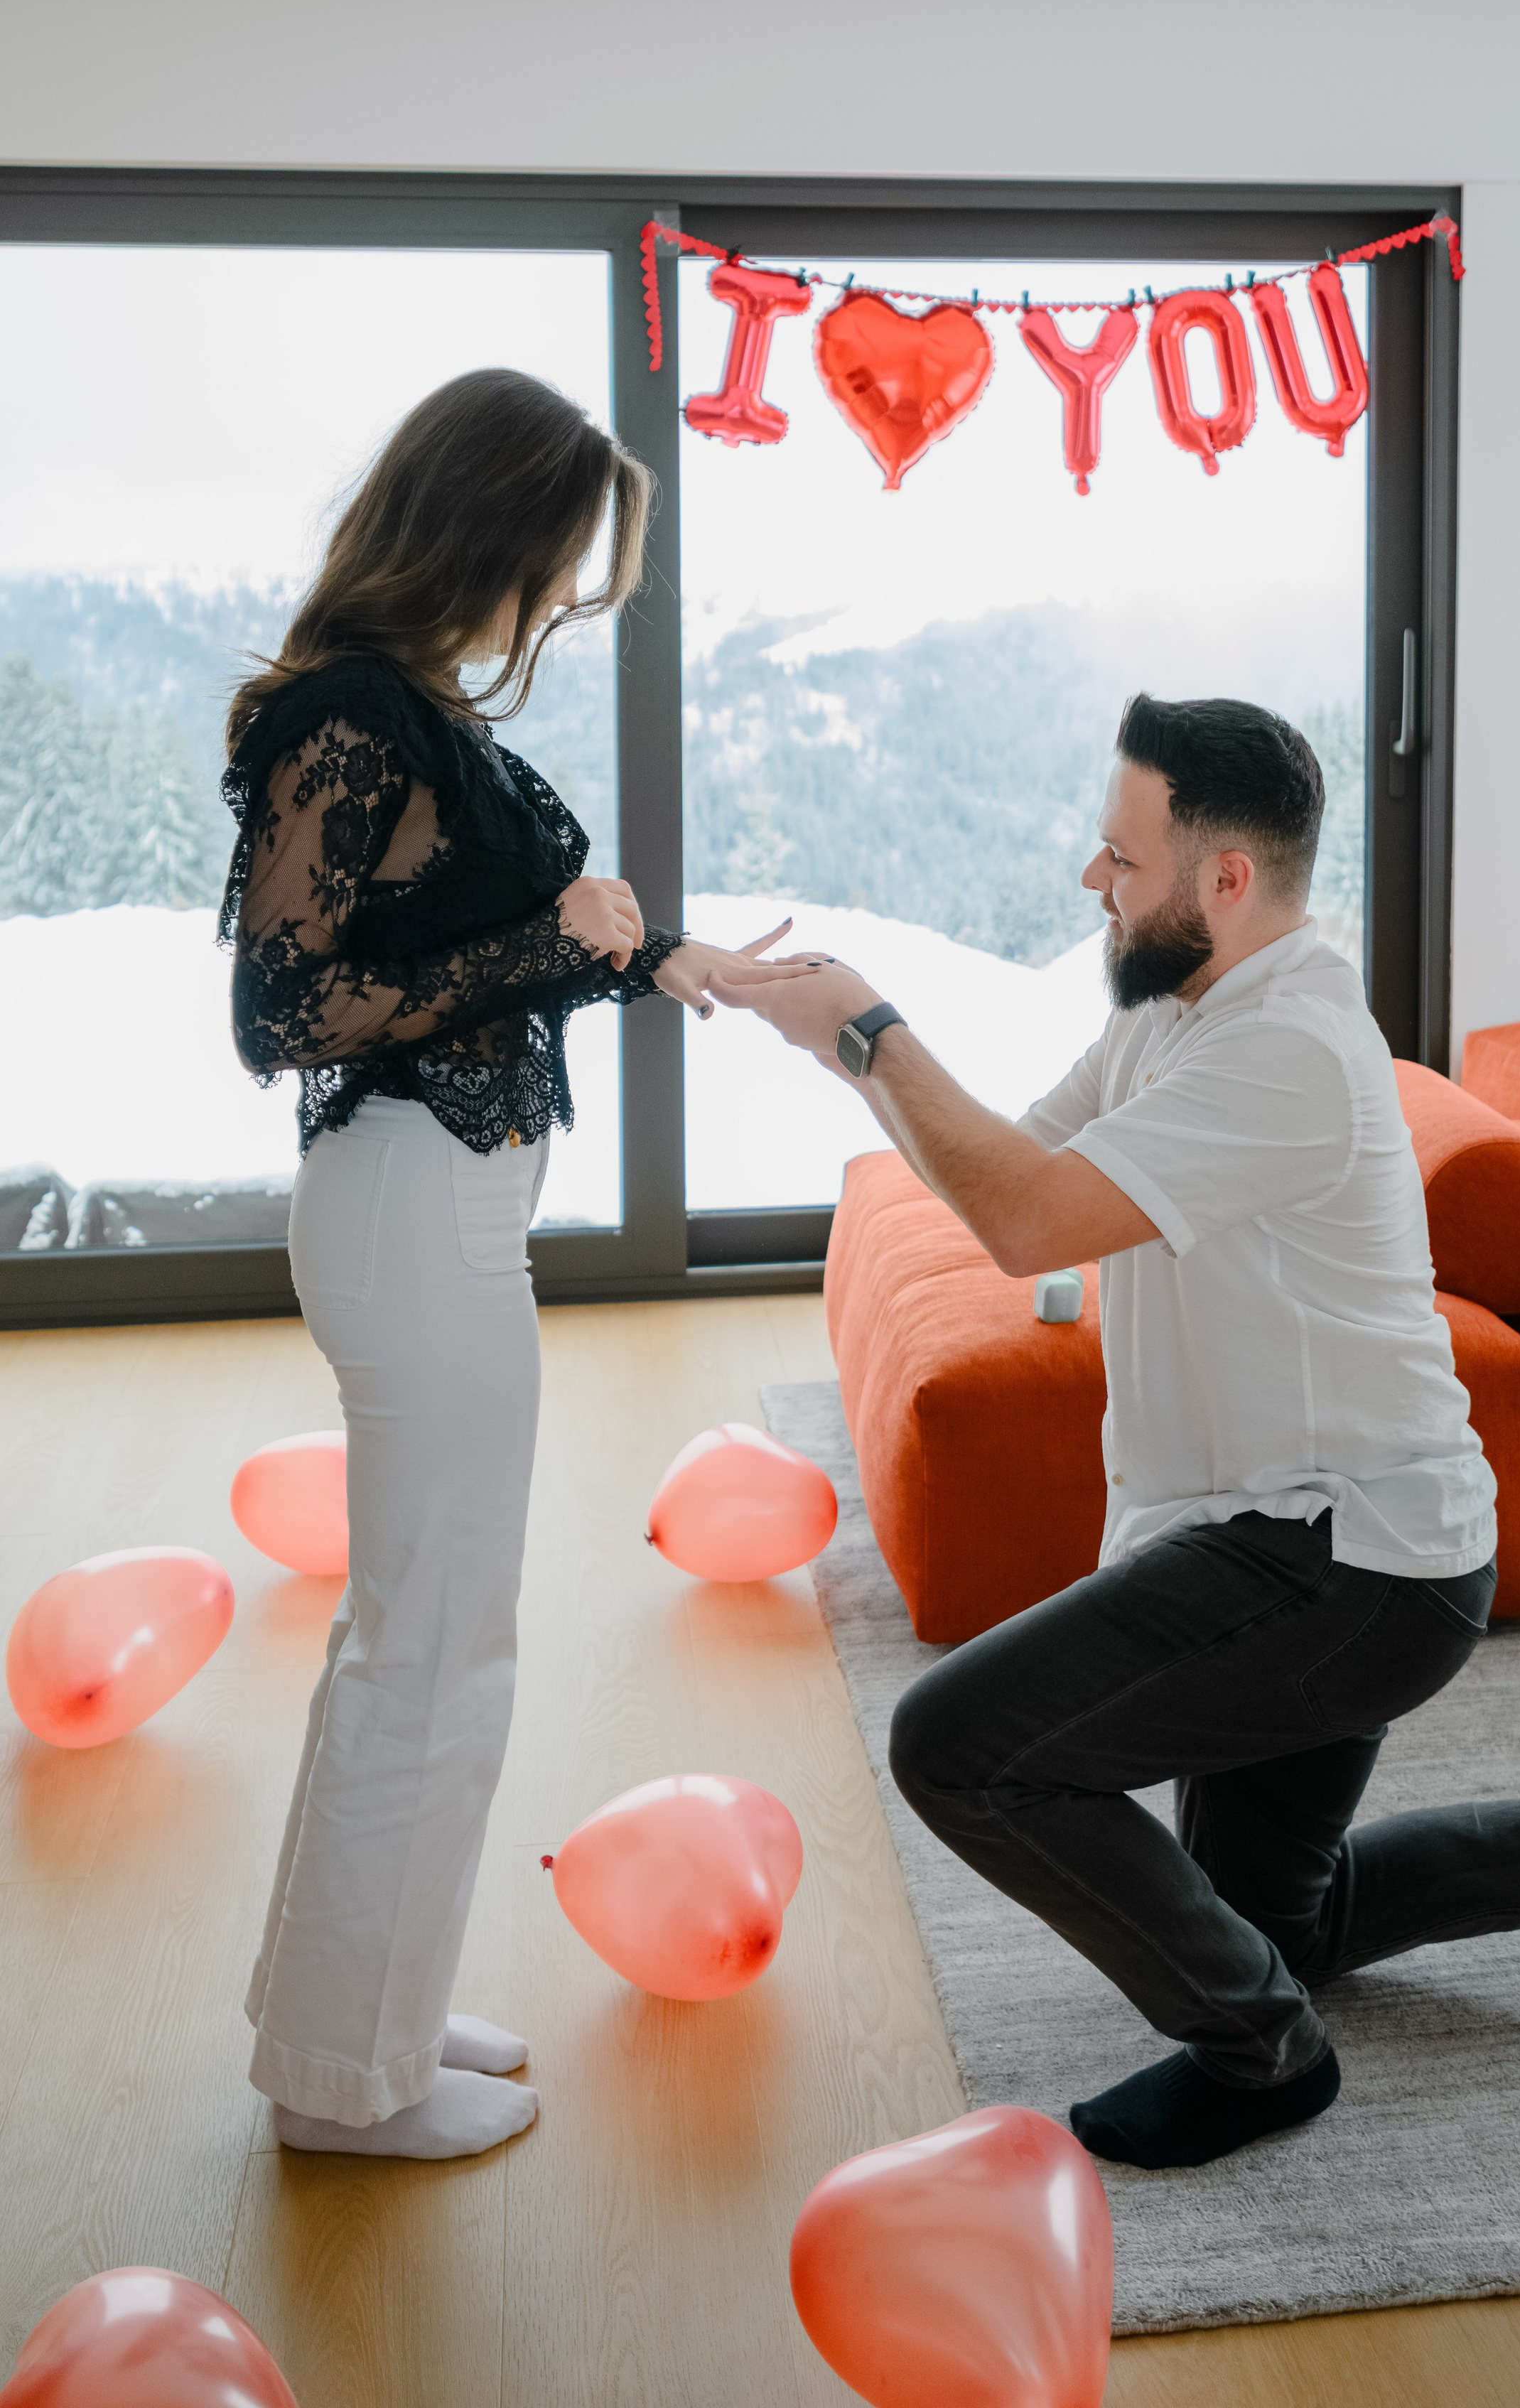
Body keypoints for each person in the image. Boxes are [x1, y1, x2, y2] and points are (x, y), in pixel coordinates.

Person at [709, 692, 1520, 2171]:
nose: (1091, 879)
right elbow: (1009, 1171)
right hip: (1281, 1538)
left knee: (961, 1747)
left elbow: (1019, 1222)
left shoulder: (1289, 1052)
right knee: (1280, 1925)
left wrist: (869, 1034)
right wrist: (835, 1039)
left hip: (1349, 1561)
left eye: (1120, 858)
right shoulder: (1171, 1011)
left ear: (1225, 878)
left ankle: (1262, 2058)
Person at [221, 368, 811, 2161]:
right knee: (431, 1651)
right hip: (408, 1215)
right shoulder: (348, 714)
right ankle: (347, 2084)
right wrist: (553, 938)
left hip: (441, 1211)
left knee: (421, 1639)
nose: (555, 600)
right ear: (483, 527)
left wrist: (655, 954)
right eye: (555, 562)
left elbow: (462, 936)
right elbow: (289, 1011)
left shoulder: (408, 707)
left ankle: (358, 2023)